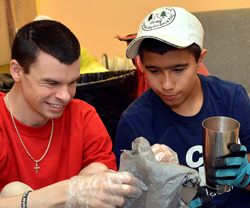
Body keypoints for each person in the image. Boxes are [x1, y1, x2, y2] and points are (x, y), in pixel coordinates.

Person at [0, 19, 147, 207]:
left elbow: (103, 181)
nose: (64, 96)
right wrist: (66, 191)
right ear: (17, 71)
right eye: (51, 83)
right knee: (13, 190)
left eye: (72, 83)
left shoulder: (83, 115)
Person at [114, 6, 250, 208]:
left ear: (200, 60)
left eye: (178, 69)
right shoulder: (135, 122)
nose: (167, 84)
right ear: (141, 64)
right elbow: (131, 199)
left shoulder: (232, 99)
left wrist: (246, 175)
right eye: (154, 71)